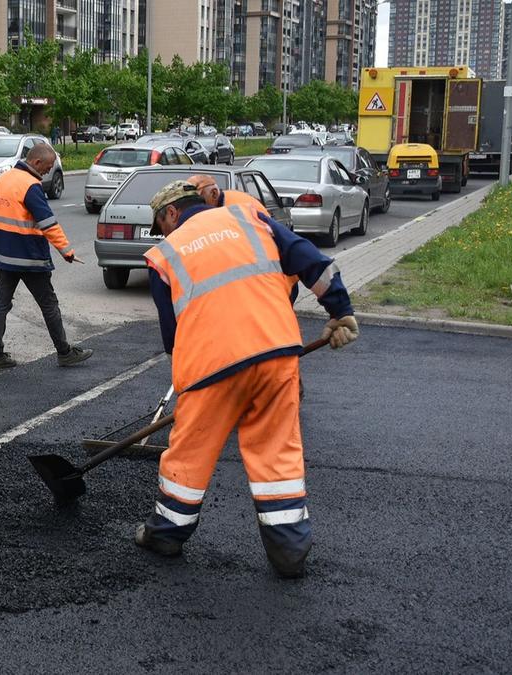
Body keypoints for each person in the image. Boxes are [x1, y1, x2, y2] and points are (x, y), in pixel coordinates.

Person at [133, 180, 359, 579]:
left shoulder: (164, 254)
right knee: (276, 452)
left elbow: (172, 338)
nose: (163, 233)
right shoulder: (251, 216)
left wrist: (203, 385)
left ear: (170, 213)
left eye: (160, 225)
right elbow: (311, 261)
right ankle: (289, 551)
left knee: (191, 453)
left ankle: (166, 535)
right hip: (276, 354)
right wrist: (339, 310)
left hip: (210, 368)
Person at [0, 143, 92, 370]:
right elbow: (48, 223)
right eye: (48, 166)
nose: (49, 171)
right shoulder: (31, 186)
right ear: (36, 162)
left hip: (6, 255)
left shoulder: (4, 179)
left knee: (1, 304)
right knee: (49, 304)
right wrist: (66, 251)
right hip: (29, 255)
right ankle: (64, 352)